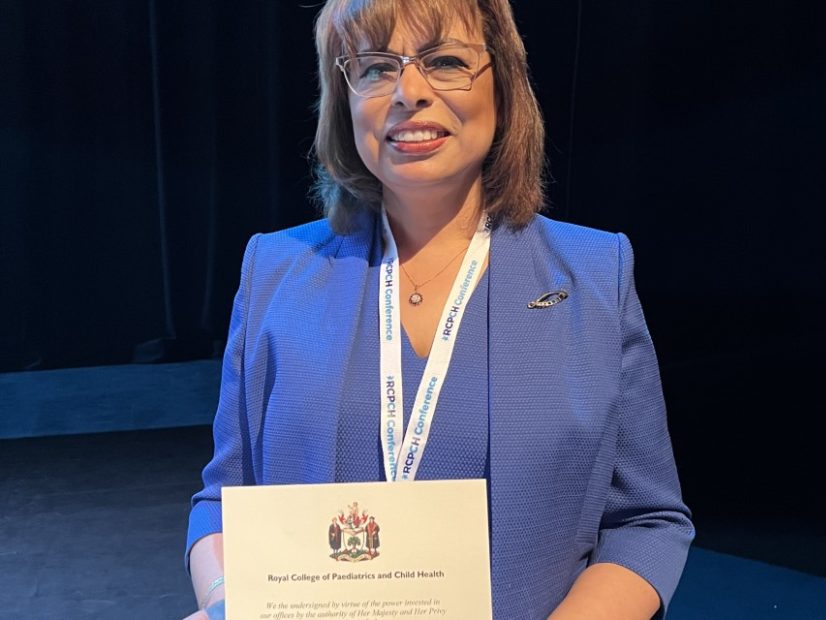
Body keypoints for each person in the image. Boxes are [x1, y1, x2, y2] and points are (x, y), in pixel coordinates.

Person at [183, 0, 694, 618]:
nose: (409, 92)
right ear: (343, 101)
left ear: (503, 84)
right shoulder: (274, 272)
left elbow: (647, 519)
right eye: (374, 68)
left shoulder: (593, 274)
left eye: (445, 60)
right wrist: (223, 602)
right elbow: (222, 503)